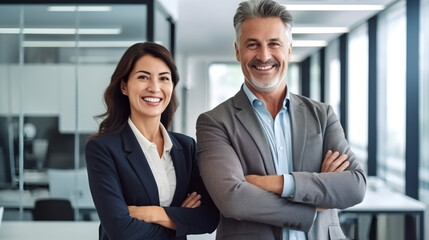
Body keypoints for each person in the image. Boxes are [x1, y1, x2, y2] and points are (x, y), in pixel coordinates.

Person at [196, 0, 366, 239]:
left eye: (274, 44)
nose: (264, 56)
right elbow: (233, 199)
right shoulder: (215, 122)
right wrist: (315, 199)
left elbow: (355, 186)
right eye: (252, 45)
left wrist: (277, 184)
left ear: (289, 49)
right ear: (237, 51)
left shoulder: (322, 115)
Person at [85, 42, 219, 240]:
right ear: (124, 86)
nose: (154, 87)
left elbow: (208, 218)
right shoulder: (103, 149)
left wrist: (152, 214)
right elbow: (121, 230)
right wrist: (179, 219)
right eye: (143, 77)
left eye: (164, 78)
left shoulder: (186, 148)